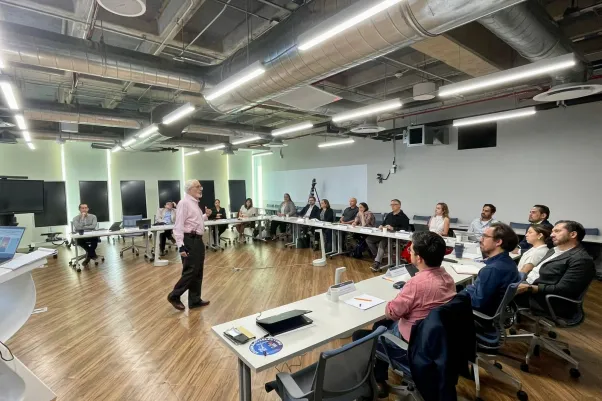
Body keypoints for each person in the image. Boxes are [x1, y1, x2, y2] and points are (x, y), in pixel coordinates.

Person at [351, 231, 456, 398]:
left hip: (413, 348)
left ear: (419, 258)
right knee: (379, 325)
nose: (409, 252)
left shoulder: (415, 284)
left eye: (412, 250)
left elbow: (392, 312)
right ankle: (380, 378)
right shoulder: (447, 277)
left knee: (359, 335)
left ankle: (370, 386)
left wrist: (394, 299)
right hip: (438, 342)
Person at [516, 221, 595, 320]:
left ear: (573, 234)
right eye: (552, 231)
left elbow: (563, 289)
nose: (552, 234)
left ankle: (496, 327)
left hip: (547, 300)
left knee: (496, 292)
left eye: (557, 231)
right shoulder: (553, 250)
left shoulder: (581, 259)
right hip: (529, 286)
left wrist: (529, 287)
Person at [167, 180, 212, 311]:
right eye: (197, 187)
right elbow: (179, 225)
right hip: (189, 240)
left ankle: (194, 299)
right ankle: (174, 295)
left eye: (200, 186)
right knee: (191, 271)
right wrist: (181, 245)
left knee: (198, 271)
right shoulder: (184, 203)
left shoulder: (194, 204)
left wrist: (205, 216)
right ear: (190, 189)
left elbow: (193, 222)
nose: (200, 189)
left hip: (197, 240)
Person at [461, 223, 520, 316]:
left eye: (485, 236)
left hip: (476, 316)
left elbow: (477, 303)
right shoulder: (509, 262)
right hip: (493, 310)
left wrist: (461, 294)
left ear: (498, 242)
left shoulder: (492, 270)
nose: (481, 240)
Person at [366, 199, 410, 271]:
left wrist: (393, 228)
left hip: (394, 236)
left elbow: (405, 229)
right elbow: (383, 223)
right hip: (384, 233)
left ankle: (377, 262)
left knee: (383, 241)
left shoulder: (404, 217)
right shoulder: (389, 215)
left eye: (394, 204)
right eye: (391, 205)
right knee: (369, 239)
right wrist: (381, 226)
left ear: (399, 206)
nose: (392, 206)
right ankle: (377, 256)